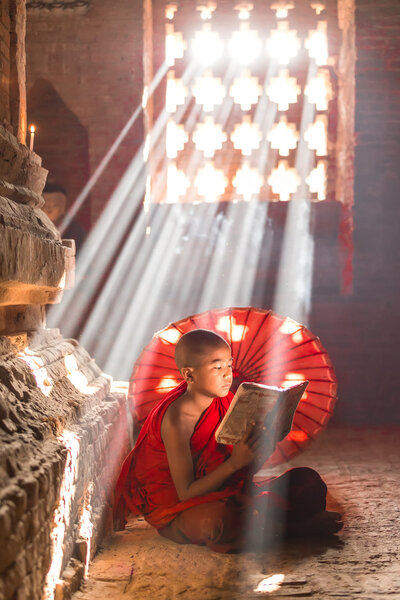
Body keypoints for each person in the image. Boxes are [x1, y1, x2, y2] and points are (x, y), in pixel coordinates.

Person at [114, 329, 343, 553]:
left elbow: (241, 474)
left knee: (308, 481)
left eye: (229, 365)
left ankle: (268, 527)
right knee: (222, 523)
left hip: (225, 492)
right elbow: (186, 492)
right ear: (189, 375)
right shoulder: (177, 420)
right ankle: (298, 529)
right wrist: (234, 463)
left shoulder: (231, 402)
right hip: (180, 510)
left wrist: (259, 449)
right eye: (217, 367)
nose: (227, 374)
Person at [42, 182, 86, 253]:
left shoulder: (75, 231)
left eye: (55, 205)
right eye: (45, 205)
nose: (49, 209)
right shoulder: (33, 226)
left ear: (63, 207)